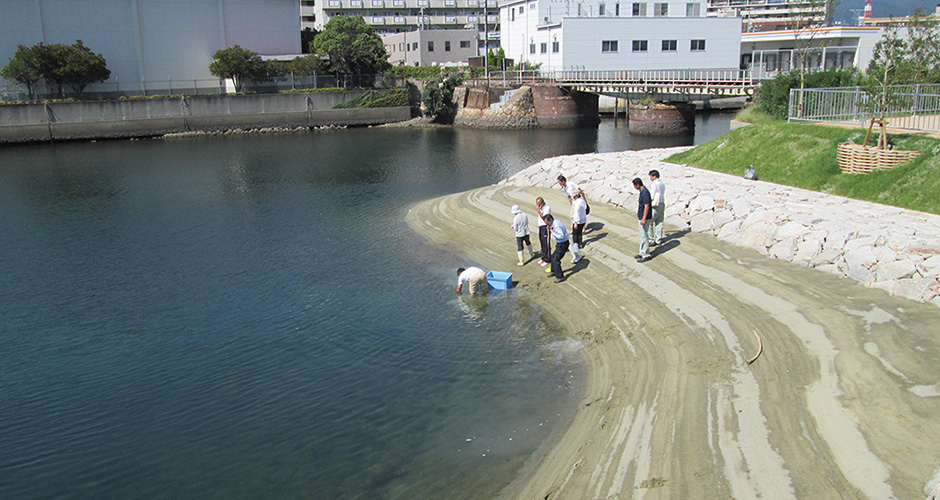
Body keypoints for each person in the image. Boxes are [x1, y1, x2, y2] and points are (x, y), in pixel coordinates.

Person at [543, 214, 569, 283]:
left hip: (563, 244)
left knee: (555, 259)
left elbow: (561, 236)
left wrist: (553, 233)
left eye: (547, 222)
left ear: (550, 220)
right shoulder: (555, 222)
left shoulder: (557, 226)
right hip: (560, 243)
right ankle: (554, 271)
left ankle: (560, 276)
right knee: (553, 257)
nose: (546, 224)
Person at [633, 178, 653, 263]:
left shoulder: (645, 193)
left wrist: (643, 218)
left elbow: (646, 206)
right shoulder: (642, 191)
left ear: (637, 185)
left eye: (634, 185)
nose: (634, 187)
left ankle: (646, 254)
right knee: (642, 236)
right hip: (642, 216)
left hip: (645, 217)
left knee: (644, 236)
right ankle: (642, 252)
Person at [648, 169, 666, 246]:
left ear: (654, 176)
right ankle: (658, 239)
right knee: (659, 222)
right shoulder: (662, 183)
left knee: (649, 222)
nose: (650, 178)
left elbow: (652, 196)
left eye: (651, 176)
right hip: (661, 203)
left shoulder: (654, 184)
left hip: (655, 205)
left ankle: (651, 239)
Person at [535, 197, 552, 267]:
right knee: (542, 242)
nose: (538, 206)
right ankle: (543, 256)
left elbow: (545, 218)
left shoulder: (547, 208)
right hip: (541, 227)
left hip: (545, 227)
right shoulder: (541, 208)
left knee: (546, 243)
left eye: (539, 204)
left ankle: (547, 259)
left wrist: (539, 211)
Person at [570, 192, 586, 264]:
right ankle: (580, 244)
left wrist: (575, 222)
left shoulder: (577, 203)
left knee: (575, 234)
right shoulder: (582, 201)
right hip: (583, 220)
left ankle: (576, 246)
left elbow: (577, 213)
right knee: (579, 233)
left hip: (578, 221)